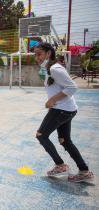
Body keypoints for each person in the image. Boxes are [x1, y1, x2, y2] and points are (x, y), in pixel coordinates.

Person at [34, 42, 93, 182]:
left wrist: (52, 100)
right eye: (35, 55)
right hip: (67, 109)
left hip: (61, 109)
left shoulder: (55, 69)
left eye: (39, 54)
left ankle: (60, 165)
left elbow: (72, 87)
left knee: (41, 135)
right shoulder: (50, 68)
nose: (37, 58)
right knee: (65, 141)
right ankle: (84, 171)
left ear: (48, 54)